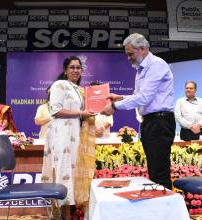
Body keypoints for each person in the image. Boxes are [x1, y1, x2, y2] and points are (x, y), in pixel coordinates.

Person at [101, 33, 176, 190]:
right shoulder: (141, 69)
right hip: (151, 122)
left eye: (130, 54)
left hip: (160, 122)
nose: (128, 58)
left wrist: (115, 106)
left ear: (142, 49)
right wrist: (120, 97)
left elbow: (144, 98)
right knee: (154, 172)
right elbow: (139, 96)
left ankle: (165, 213)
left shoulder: (156, 65)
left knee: (159, 174)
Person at [41, 56, 95, 219]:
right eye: (72, 67)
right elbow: (55, 111)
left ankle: (67, 214)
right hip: (61, 135)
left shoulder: (77, 89)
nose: (76, 70)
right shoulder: (59, 85)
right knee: (63, 172)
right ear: (65, 70)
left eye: (78, 67)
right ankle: (62, 215)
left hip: (73, 136)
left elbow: (81, 113)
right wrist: (81, 113)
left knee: (70, 173)